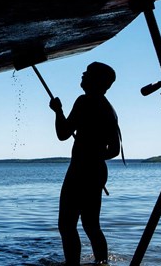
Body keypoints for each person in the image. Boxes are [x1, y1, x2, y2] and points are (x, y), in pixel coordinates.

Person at [49, 61, 122, 265]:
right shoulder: (109, 109)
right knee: (91, 225)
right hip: (97, 171)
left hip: (80, 171)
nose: (83, 74)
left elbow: (63, 133)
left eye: (88, 72)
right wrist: (96, 156)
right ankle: (102, 262)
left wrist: (57, 111)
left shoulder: (84, 101)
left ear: (97, 80)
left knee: (66, 225)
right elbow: (114, 150)